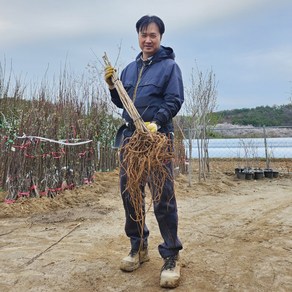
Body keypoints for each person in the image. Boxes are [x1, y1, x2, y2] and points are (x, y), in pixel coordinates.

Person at [104, 15, 184, 288]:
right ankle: (138, 246)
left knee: (163, 198)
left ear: (160, 37)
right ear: (138, 37)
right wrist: (112, 86)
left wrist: (157, 122)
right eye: (143, 35)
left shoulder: (169, 67)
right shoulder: (129, 69)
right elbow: (121, 102)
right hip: (130, 140)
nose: (148, 39)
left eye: (153, 35)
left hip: (156, 140)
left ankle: (171, 256)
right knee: (130, 194)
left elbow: (175, 100)